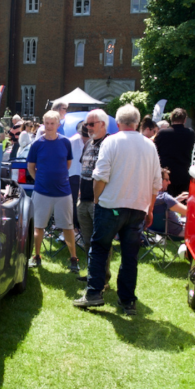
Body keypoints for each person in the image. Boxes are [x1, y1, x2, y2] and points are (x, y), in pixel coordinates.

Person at [73, 104, 162, 315]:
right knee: (129, 256)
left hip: (111, 204)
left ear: (118, 123)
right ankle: (127, 301)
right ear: (138, 123)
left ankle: (94, 293)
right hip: (137, 207)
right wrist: (149, 209)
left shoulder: (111, 142)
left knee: (99, 248)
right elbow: (156, 182)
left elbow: (100, 176)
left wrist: (97, 198)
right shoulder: (150, 145)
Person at [27, 110, 79, 272]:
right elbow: (30, 167)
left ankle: (73, 258)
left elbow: (68, 164)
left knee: (68, 227)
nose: (49, 127)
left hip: (63, 192)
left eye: (52, 123)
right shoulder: (37, 144)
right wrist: (40, 180)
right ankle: (37, 256)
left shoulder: (65, 143)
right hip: (42, 192)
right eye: (47, 123)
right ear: (43, 123)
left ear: (58, 124)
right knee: (38, 226)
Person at [75, 109, 112, 289]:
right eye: (86, 124)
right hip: (85, 200)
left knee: (101, 242)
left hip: (102, 201)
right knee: (88, 241)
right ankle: (93, 273)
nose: (88, 128)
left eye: (91, 124)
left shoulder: (110, 144)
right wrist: (81, 196)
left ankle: (103, 279)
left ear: (103, 124)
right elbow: (85, 169)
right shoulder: (89, 143)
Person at [154, 108, 195, 196]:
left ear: (171, 119)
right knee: (182, 202)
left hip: (166, 175)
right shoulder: (191, 134)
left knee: (165, 202)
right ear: (185, 120)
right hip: (184, 174)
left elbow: (154, 150)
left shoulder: (162, 133)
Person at [149, 168, 188, 236]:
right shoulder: (165, 198)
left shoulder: (148, 196)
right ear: (160, 180)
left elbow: (162, 203)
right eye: (167, 180)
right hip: (176, 232)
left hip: (154, 230)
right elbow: (188, 212)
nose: (169, 182)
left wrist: (175, 200)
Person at [68, 121, 88, 229]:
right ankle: (76, 225)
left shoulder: (72, 140)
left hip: (78, 173)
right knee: (75, 201)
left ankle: (77, 225)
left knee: (77, 201)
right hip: (75, 173)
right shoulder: (73, 140)